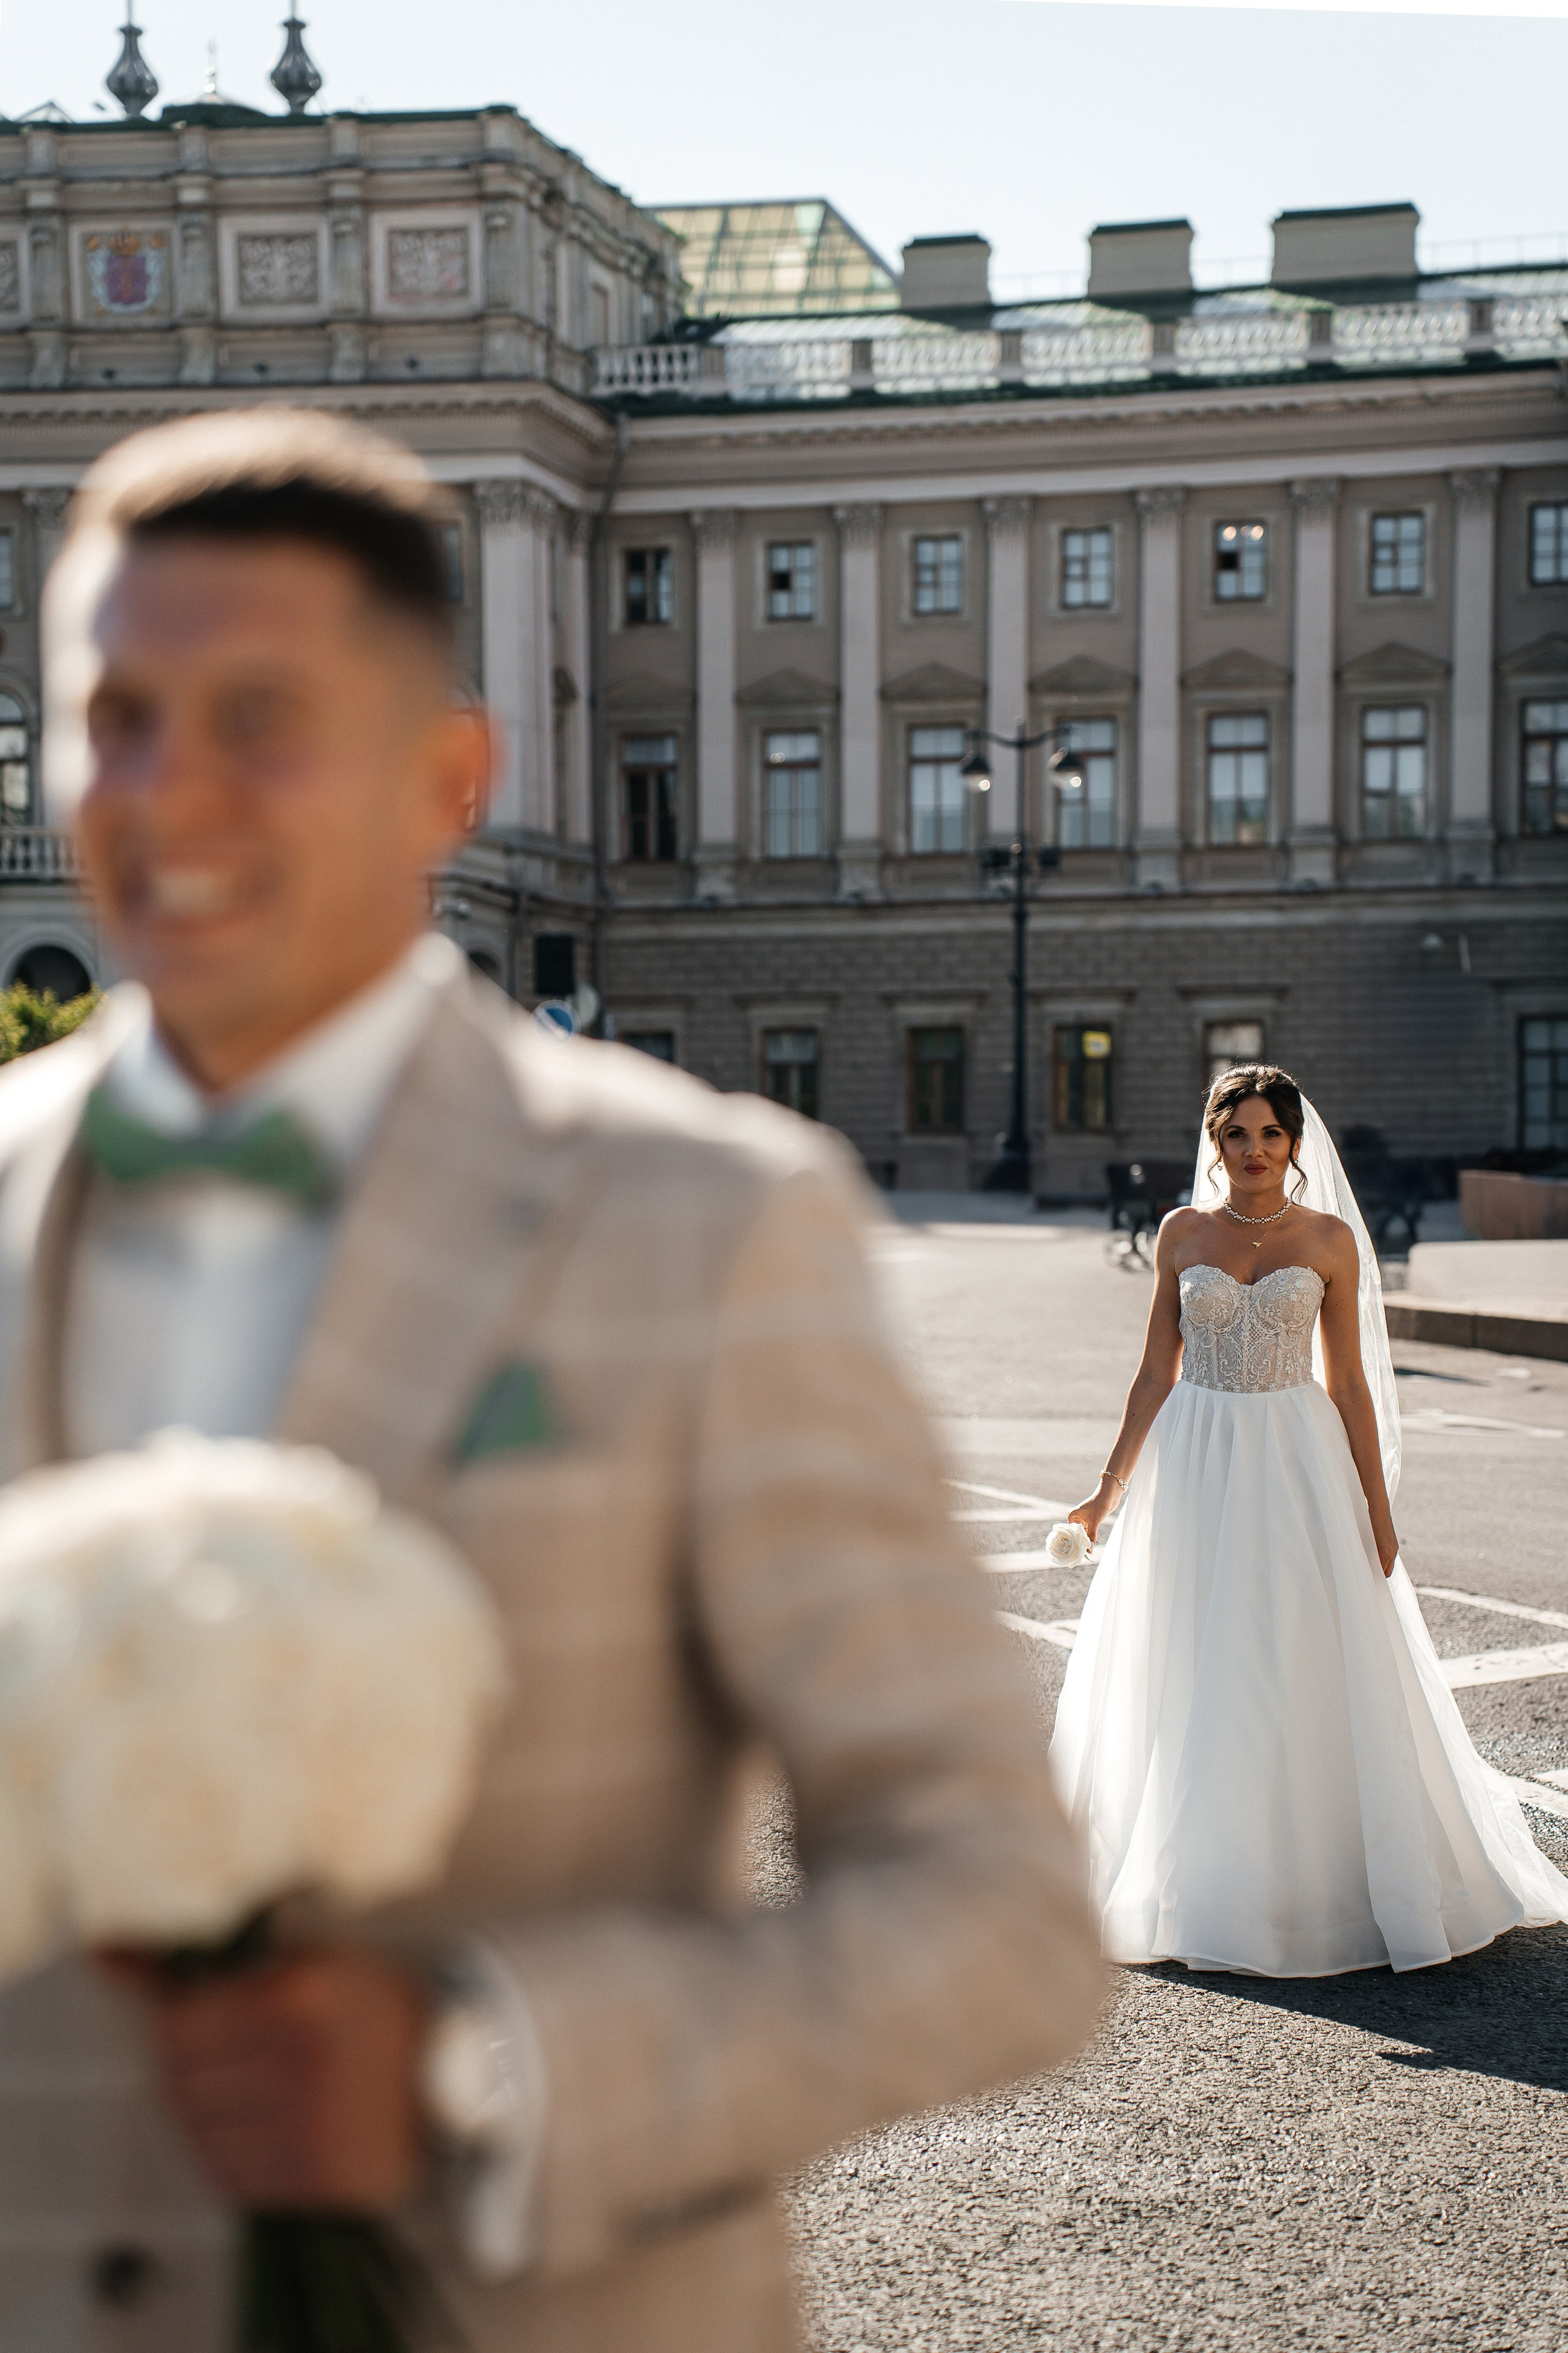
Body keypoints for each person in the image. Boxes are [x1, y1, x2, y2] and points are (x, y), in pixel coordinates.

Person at [0, 409, 1101, 2352]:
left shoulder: (709, 1221)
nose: (165, 793)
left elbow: (1000, 1912)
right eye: (114, 717)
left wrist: (480, 2057)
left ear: (448, 778)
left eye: (257, 716)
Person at [1050, 1062, 1568, 1979]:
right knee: (1187, 1652)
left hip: (1296, 1461)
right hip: (1196, 1455)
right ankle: (1197, 1868)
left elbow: (1353, 1386)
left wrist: (1377, 1506)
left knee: (1289, 1648)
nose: (1254, 1151)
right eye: (1236, 1135)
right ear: (1214, 1143)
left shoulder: (1329, 1239)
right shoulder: (1181, 1232)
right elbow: (1154, 1373)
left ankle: (1312, 1879)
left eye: (1270, 1135)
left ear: (1294, 1144)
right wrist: (1107, 1488)